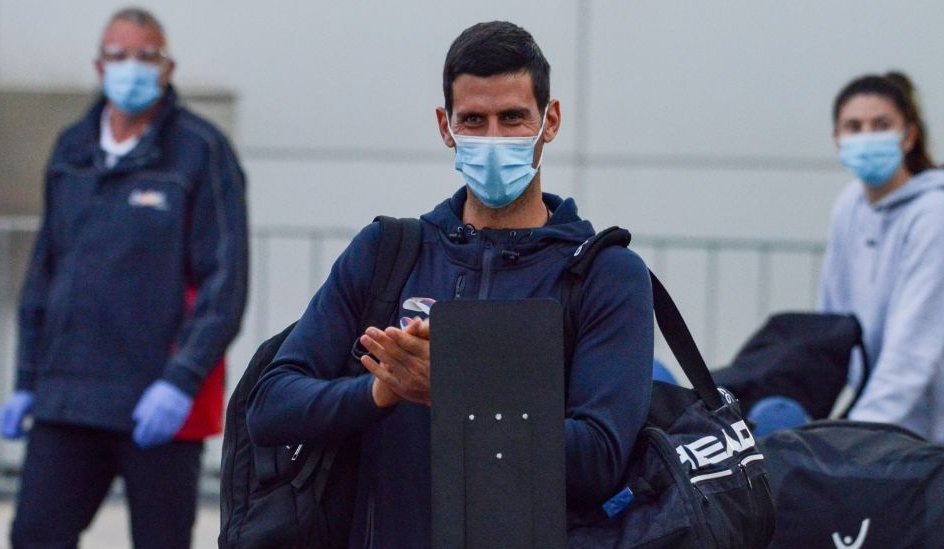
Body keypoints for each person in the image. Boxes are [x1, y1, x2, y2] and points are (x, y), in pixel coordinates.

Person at [246, 20, 654, 547]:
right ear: (445, 126)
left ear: (549, 121)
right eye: (473, 120)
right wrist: (379, 391)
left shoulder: (604, 274)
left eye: (512, 118)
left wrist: (453, 393)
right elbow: (271, 406)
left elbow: (599, 458)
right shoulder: (388, 252)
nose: (492, 139)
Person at [0, 7, 248, 548]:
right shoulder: (73, 148)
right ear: (98, 66)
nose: (131, 68)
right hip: (68, 396)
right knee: (35, 537)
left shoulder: (201, 151)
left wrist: (180, 380)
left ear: (168, 66)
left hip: (156, 405)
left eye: (145, 55)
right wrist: (25, 381)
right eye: (118, 56)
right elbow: (45, 270)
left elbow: (224, 280)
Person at [818, 71, 944, 452]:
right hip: (886, 438)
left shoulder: (939, 215)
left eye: (881, 125)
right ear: (837, 139)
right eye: (853, 126)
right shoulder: (849, 204)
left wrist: (852, 439)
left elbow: (913, 350)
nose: (867, 136)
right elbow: (833, 327)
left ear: (909, 135)